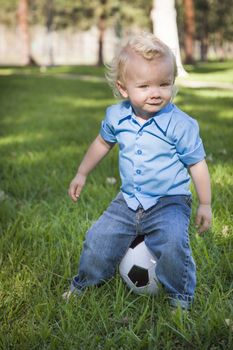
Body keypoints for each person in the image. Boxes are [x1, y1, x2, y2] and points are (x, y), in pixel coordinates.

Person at [63, 33, 212, 309]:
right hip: (128, 199)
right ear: (123, 88)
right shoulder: (116, 116)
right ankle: (83, 283)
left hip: (169, 201)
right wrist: (81, 173)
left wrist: (205, 203)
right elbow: (101, 143)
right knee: (98, 238)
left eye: (164, 84)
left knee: (173, 242)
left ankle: (180, 296)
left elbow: (197, 163)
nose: (155, 92)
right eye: (144, 85)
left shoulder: (181, 125)